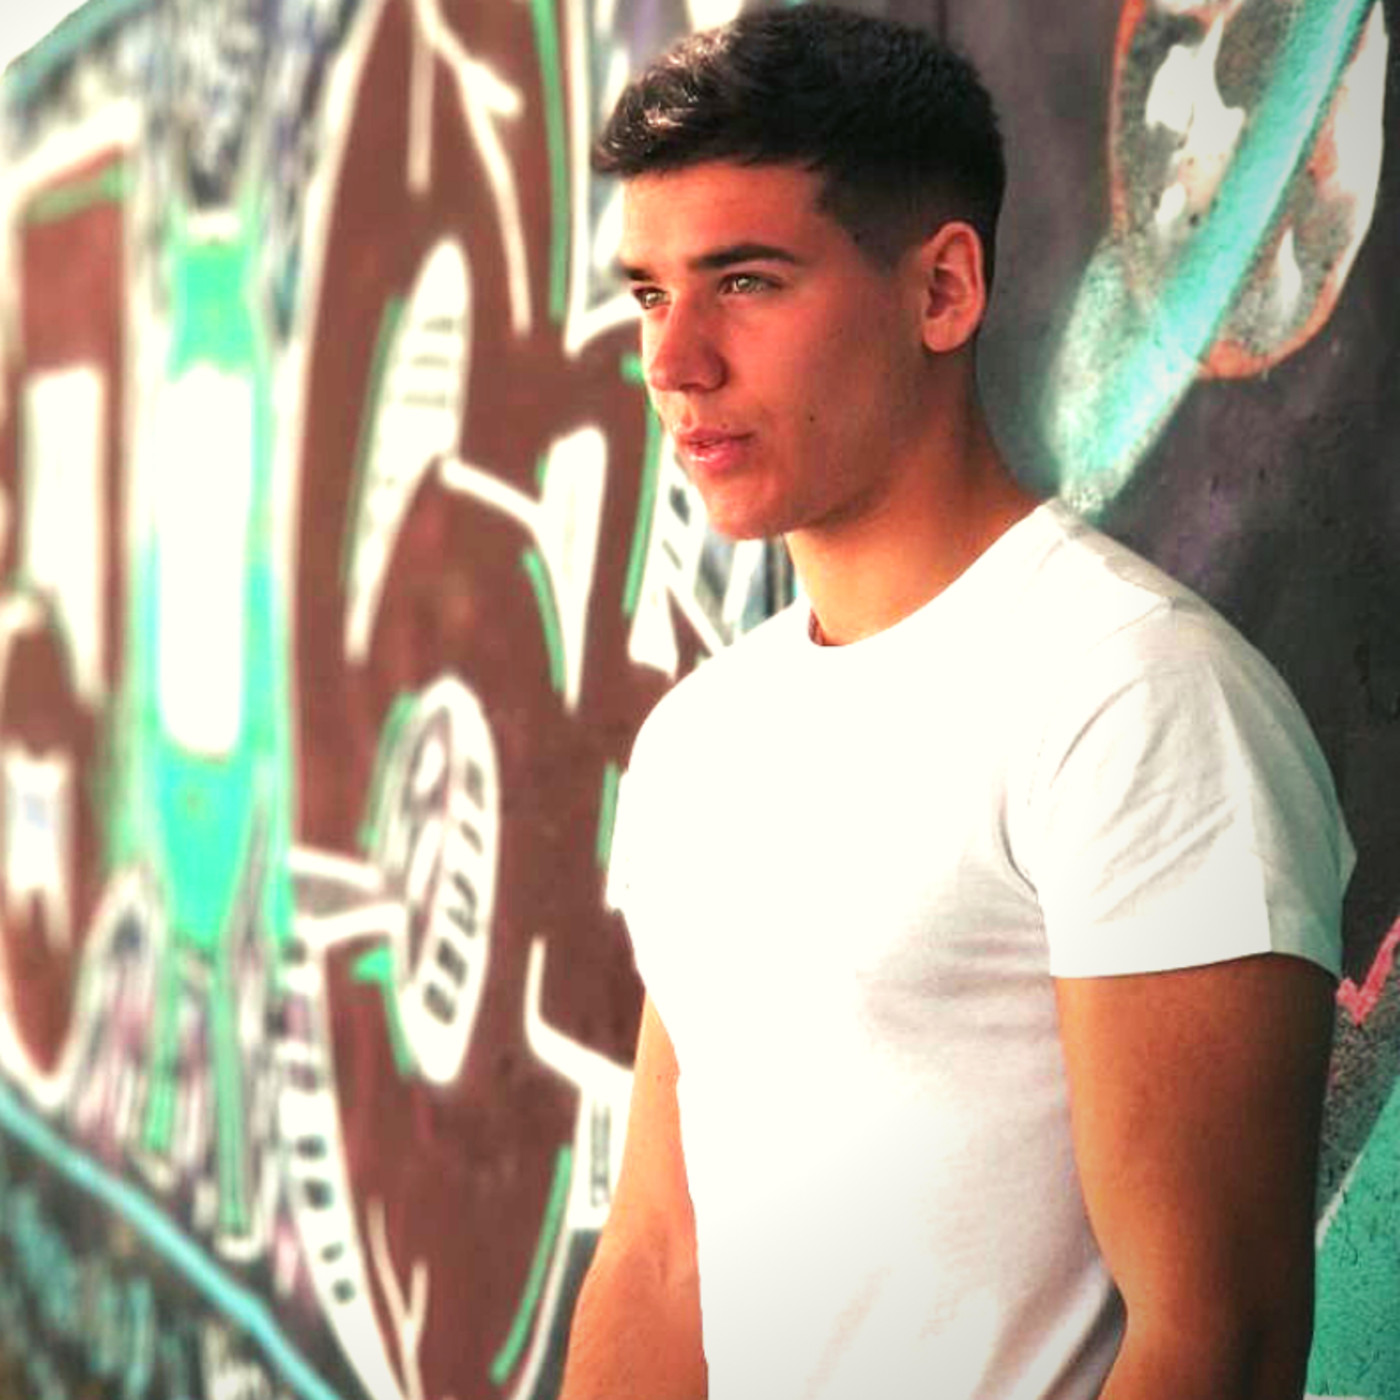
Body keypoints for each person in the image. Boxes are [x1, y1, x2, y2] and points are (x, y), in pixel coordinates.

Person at [560, 7, 1354, 1398]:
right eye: (649, 294)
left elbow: (1217, 1342)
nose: (675, 362)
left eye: (745, 282)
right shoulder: (699, 742)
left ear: (941, 290)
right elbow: (661, 1261)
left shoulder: (1133, 699)